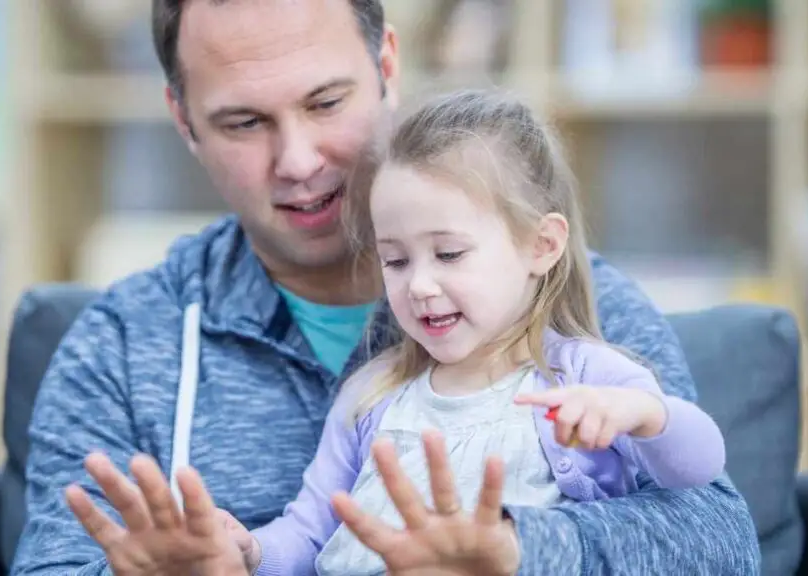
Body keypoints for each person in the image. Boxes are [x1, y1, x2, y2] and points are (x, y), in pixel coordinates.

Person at [9, 0, 760, 574]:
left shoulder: (568, 303)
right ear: (182, 120)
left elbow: (720, 544)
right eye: (243, 122)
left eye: (326, 103)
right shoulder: (126, 345)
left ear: (388, 67)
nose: (298, 161)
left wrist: (512, 546)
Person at [204, 87, 728, 575]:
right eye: (395, 260)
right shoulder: (372, 394)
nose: (420, 285)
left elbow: (699, 468)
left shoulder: (582, 377)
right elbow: (310, 530)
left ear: (542, 246)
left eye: (449, 253)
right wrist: (251, 552)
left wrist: (646, 416)